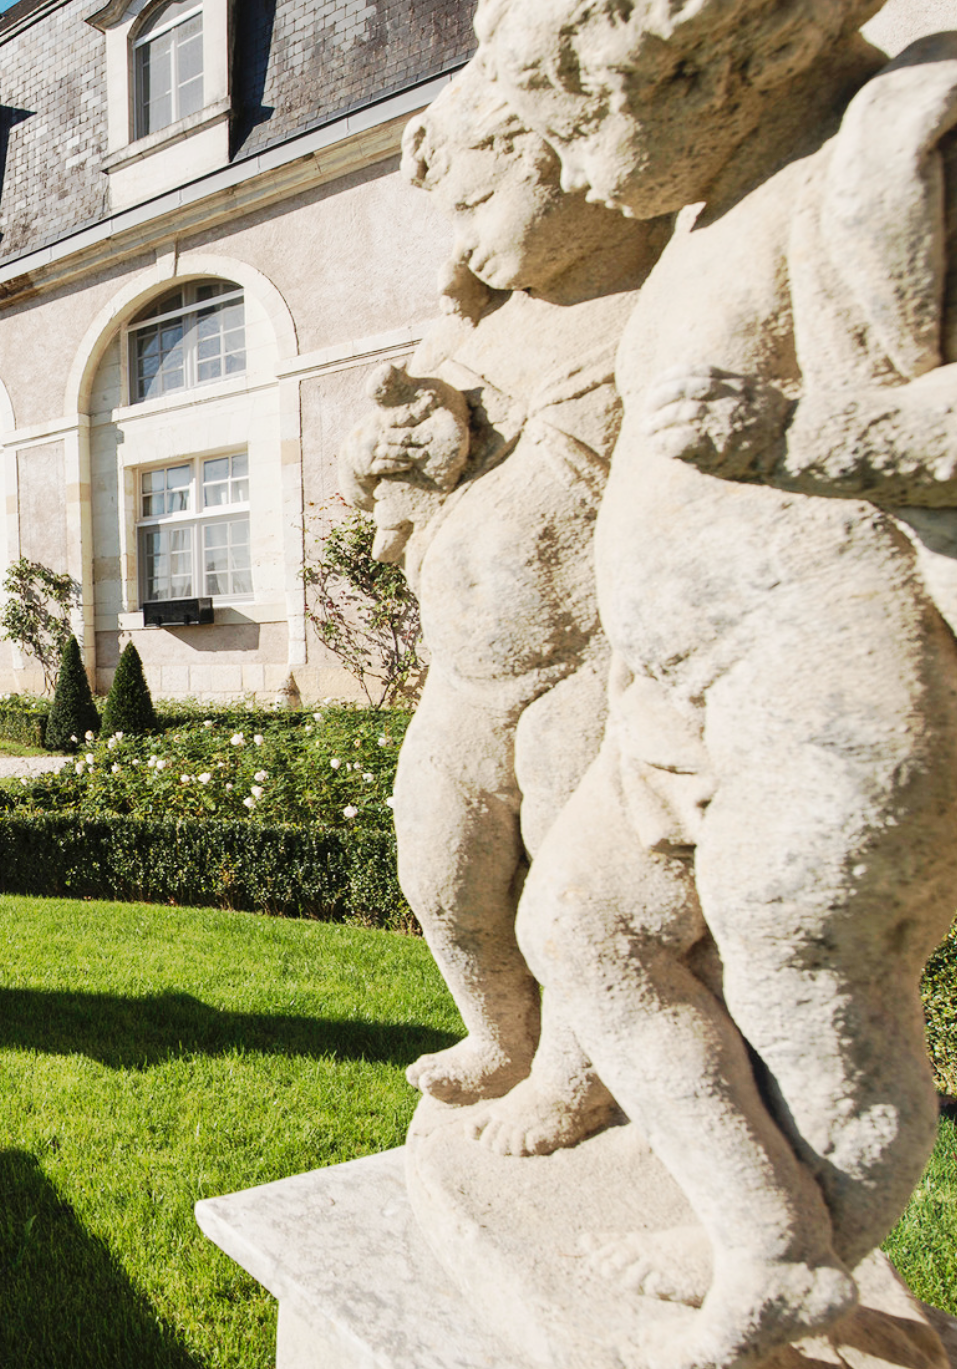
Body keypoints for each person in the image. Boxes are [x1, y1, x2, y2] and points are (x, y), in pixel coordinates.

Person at [468, 0, 957, 1362]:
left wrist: (806, 439)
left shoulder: (887, 157)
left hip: (840, 684)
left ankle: (810, 1250)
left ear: (719, 48)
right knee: (581, 923)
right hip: (683, 706)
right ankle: (768, 1238)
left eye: (580, 123)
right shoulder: (708, 197)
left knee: (808, 970)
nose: (573, 170)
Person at [342, 66, 664, 1154]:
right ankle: (497, 1032)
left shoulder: (656, 306)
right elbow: (383, 458)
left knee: (570, 890)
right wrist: (371, 450)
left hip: (586, 665)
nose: (465, 239)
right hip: (461, 675)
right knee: (436, 864)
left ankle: (577, 1075)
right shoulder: (477, 331)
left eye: (478, 204)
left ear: (565, 164)